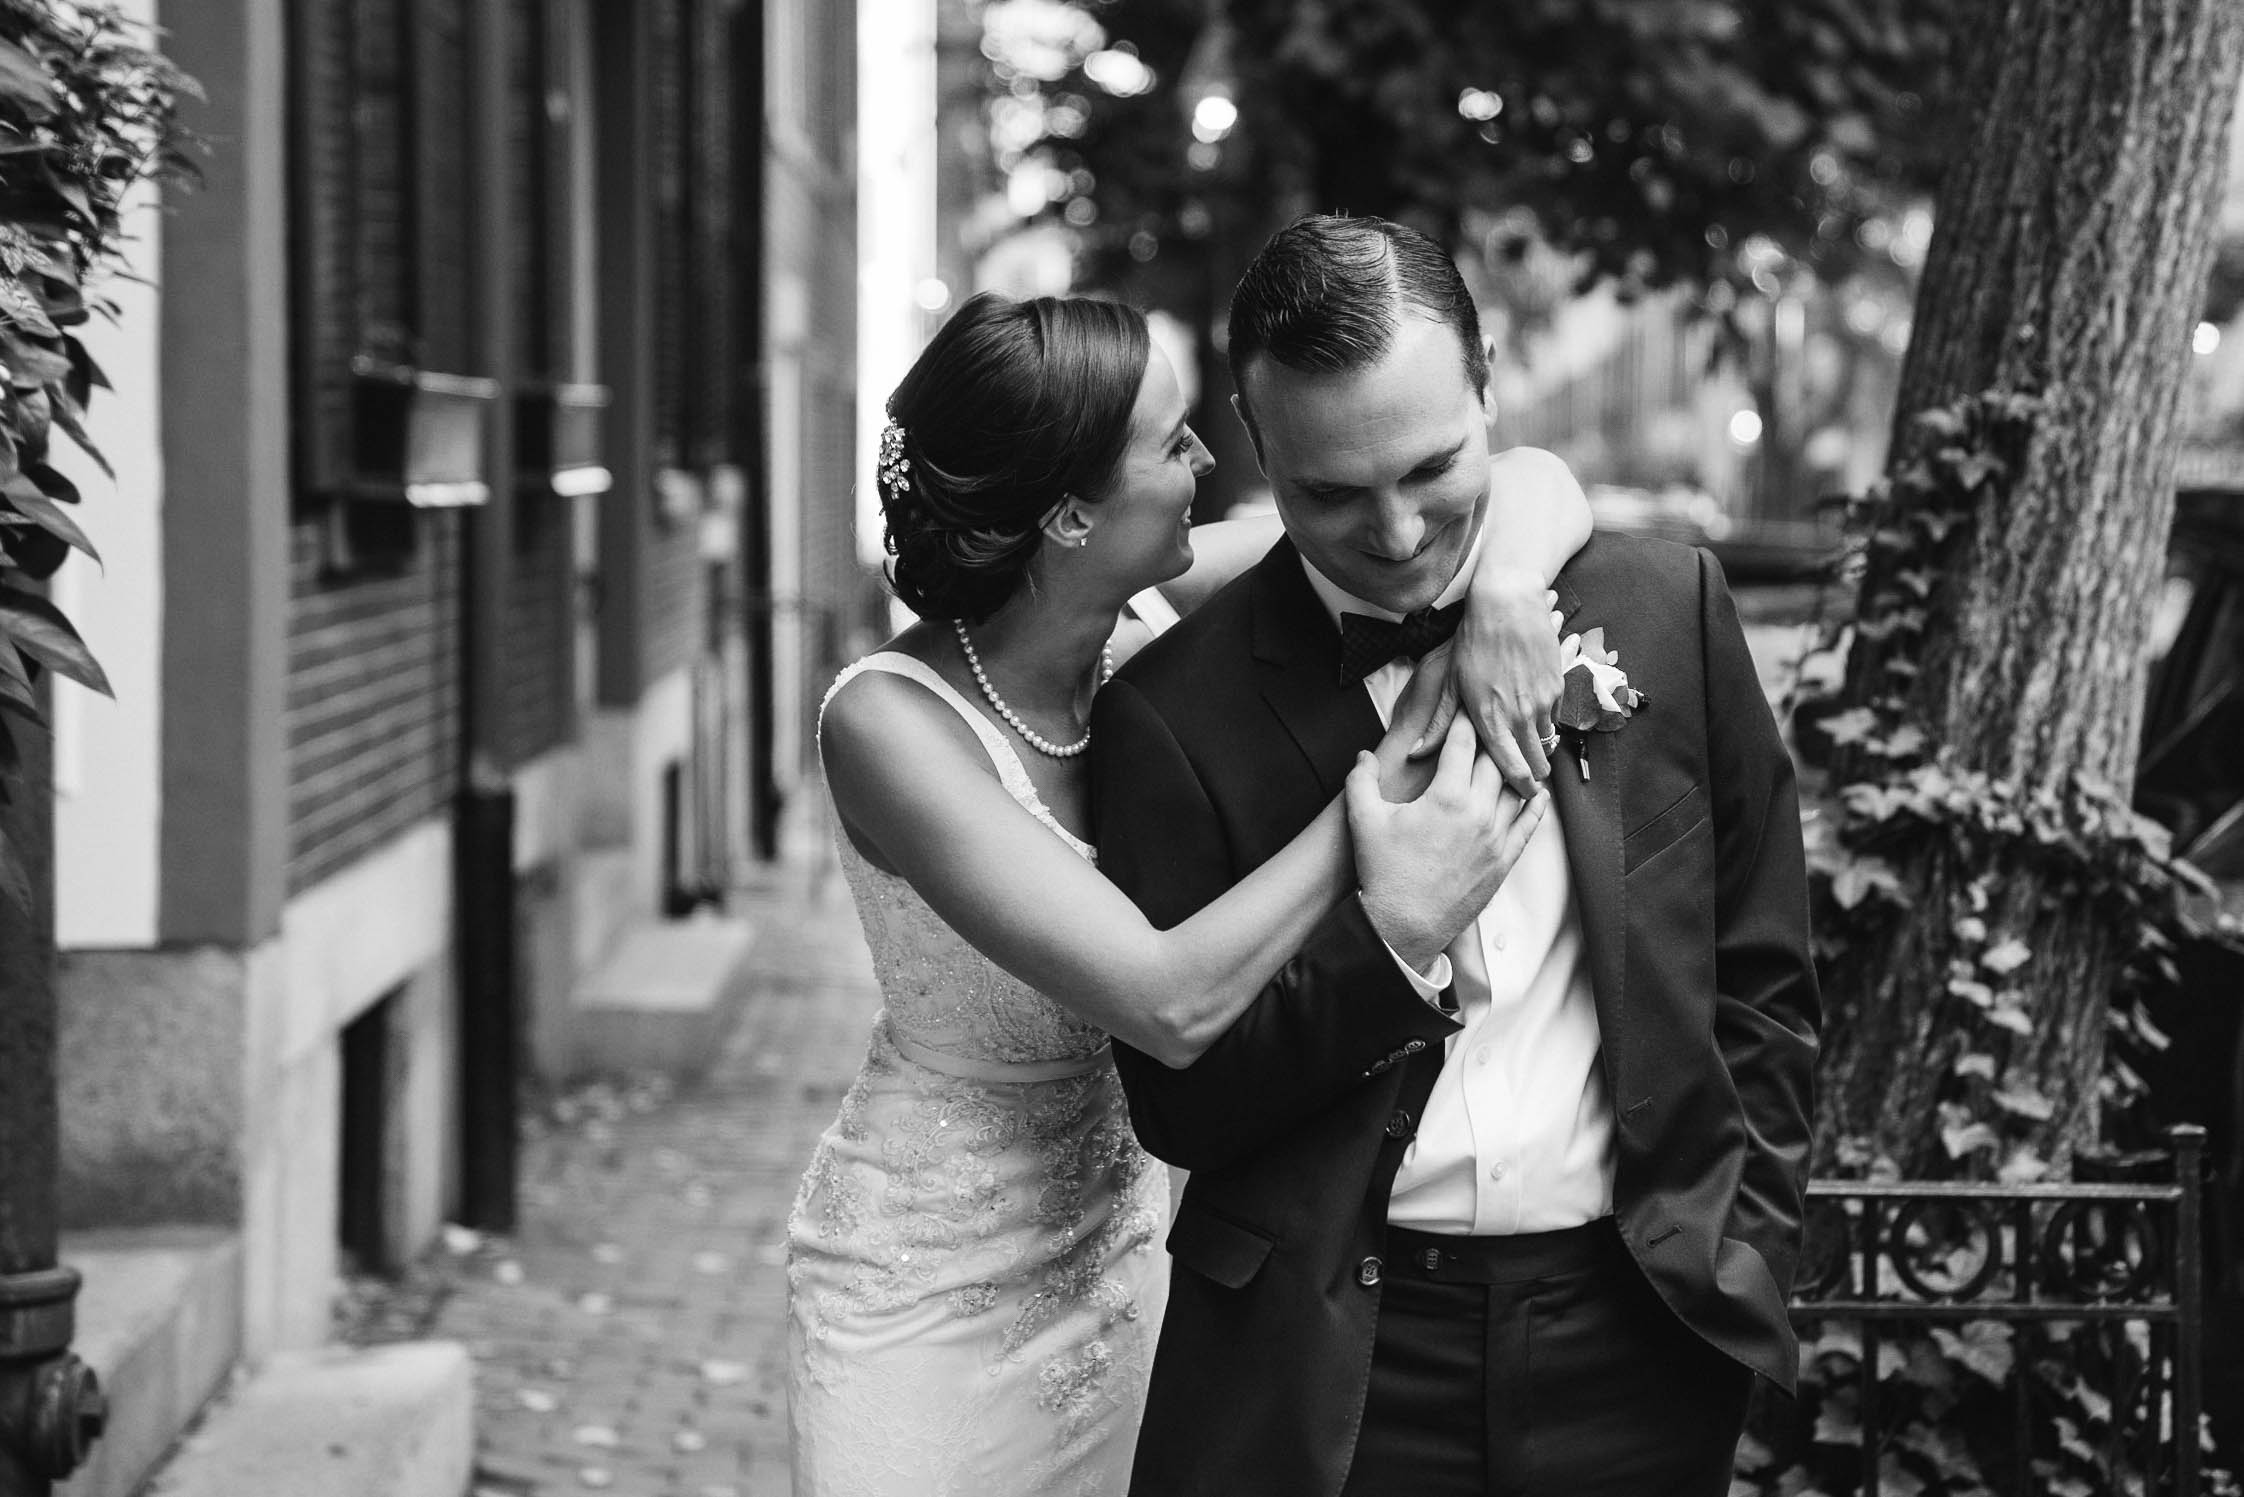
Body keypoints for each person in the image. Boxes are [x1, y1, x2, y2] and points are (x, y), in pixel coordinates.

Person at [784, 288, 1594, 1497]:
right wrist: (1384, 799)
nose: (1208, 461)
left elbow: (1531, 478)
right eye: (1171, 444)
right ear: (1068, 515)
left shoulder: (1141, 613)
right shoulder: (890, 725)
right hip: (926, 1277)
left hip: (1122, 1249)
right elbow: (1165, 1002)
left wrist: (1509, 591)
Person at [1089, 215, 1821, 1497]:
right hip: (1338, 1367)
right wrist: (1391, 945)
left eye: (1433, 466)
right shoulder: (1169, 718)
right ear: (1258, 446)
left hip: (1642, 1334)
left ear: (1489, 388)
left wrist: (1745, 1240)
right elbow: (1181, 1108)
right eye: (1329, 490)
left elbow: (1761, 968)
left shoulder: (1665, 610)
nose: (1394, 530)